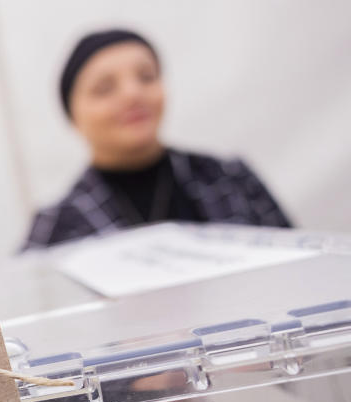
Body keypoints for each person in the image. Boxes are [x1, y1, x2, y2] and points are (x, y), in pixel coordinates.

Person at [24, 28, 291, 248]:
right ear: (73, 117)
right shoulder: (56, 227)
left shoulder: (230, 178)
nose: (132, 94)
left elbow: (298, 264)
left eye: (146, 77)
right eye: (104, 89)